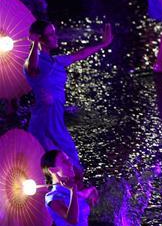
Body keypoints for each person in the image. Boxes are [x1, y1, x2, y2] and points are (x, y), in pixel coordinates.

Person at [24, 21, 114, 176]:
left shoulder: (57, 61)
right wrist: (35, 43)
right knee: (62, 168)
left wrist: (103, 44)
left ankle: (77, 197)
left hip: (56, 121)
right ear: (41, 39)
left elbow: (80, 54)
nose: (56, 37)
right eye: (51, 34)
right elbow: (31, 68)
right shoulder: (33, 63)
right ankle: (63, 197)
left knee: (72, 167)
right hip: (44, 124)